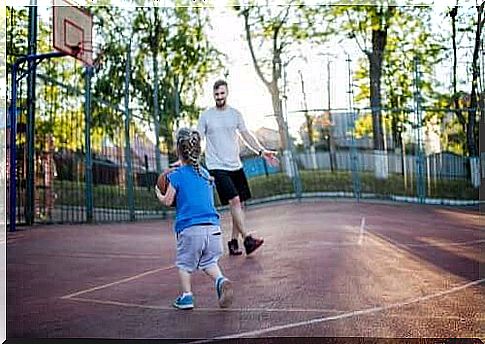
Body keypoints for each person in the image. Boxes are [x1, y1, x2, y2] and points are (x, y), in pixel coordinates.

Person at [197, 79, 279, 256]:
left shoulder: (235, 114)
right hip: (216, 166)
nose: (219, 97)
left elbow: (246, 135)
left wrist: (261, 151)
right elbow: (198, 138)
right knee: (234, 201)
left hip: (235, 165)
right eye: (216, 94)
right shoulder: (206, 116)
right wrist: (188, 158)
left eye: (222, 93)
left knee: (240, 204)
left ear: (227, 93)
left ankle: (233, 241)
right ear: (213, 95)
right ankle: (247, 239)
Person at [155, 128, 233, 310]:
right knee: (209, 262)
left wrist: (159, 193)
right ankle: (221, 280)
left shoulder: (176, 176)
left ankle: (187, 296)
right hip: (214, 229)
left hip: (191, 230)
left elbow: (168, 201)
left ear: (178, 151)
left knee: (184, 264)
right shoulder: (206, 175)